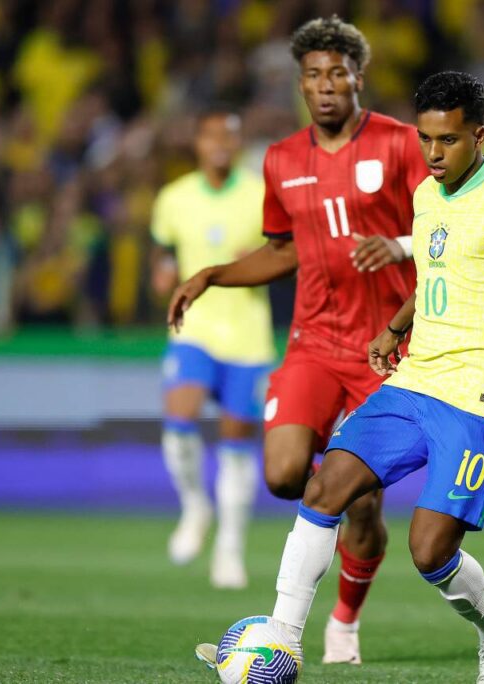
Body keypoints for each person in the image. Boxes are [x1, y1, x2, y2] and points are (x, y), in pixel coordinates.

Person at [197, 71, 484, 683]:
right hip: (414, 381)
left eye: (447, 141)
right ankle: (282, 641)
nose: (433, 154)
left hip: (477, 395)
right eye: (425, 140)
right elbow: (434, 273)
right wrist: (396, 326)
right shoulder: (425, 194)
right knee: (323, 490)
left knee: (429, 551)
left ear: (478, 134)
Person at [168, 16, 428, 663]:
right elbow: (283, 250)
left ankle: (344, 620)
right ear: (300, 84)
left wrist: (400, 252)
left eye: (337, 72)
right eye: (313, 74)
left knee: (363, 513)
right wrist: (213, 275)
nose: (325, 85)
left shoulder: (399, 145)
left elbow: (442, 231)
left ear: (358, 78)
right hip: (313, 341)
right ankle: (332, 485)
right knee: (285, 473)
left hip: (383, 353)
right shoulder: (282, 160)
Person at [151, 110, 273, 589]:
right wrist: (162, 272)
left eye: (230, 136)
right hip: (194, 327)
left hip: (246, 334)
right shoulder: (174, 197)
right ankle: (195, 505)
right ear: (197, 142)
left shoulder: (262, 194)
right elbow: (161, 248)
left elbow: (288, 255)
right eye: (211, 135)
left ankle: (230, 549)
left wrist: (259, 261)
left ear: (240, 143)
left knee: (236, 441)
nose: (221, 143)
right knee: (179, 416)